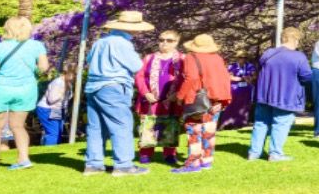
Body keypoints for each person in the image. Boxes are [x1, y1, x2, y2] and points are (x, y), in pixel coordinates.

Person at [83, 11, 152, 176]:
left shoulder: (100, 42)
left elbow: (88, 61)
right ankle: (123, 166)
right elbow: (136, 66)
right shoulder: (122, 43)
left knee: (96, 127)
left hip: (93, 87)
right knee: (122, 124)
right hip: (112, 86)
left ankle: (93, 165)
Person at [0, 16, 49, 172]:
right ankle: (24, 159)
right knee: (18, 126)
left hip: (0, 89)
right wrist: (33, 73)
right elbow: (44, 67)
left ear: (8, 29)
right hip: (26, 89)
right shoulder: (37, 45)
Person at [248, 27, 312, 162]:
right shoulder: (298, 56)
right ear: (295, 39)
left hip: (264, 95)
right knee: (281, 124)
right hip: (286, 96)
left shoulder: (268, 53)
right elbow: (306, 77)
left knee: (260, 123)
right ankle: (275, 154)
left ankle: (254, 153)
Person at [173, 33, 233, 174]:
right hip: (216, 100)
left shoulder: (191, 57)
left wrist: (180, 96)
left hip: (197, 100)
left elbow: (191, 78)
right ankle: (207, 161)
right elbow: (225, 79)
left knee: (194, 131)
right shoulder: (218, 58)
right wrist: (223, 101)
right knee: (209, 131)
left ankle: (193, 163)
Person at [134, 29, 183, 165]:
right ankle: (145, 154)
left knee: (171, 125)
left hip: (172, 100)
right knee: (148, 125)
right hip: (151, 100)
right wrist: (146, 93)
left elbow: (187, 79)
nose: (164, 43)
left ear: (177, 42)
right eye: (161, 40)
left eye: (169, 40)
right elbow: (139, 76)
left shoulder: (182, 59)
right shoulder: (149, 58)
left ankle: (169, 154)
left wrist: (177, 94)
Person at [35, 63, 74, 146]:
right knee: (53, 133)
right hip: (48, 109)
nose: (74, 78)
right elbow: (51, 99)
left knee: (58, 133)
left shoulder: (68, 83)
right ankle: (48, 152)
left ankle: (53, 150)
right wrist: (62, 93)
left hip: (59, 110)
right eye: (74, 75)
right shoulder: (58, 83)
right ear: (68, 73)